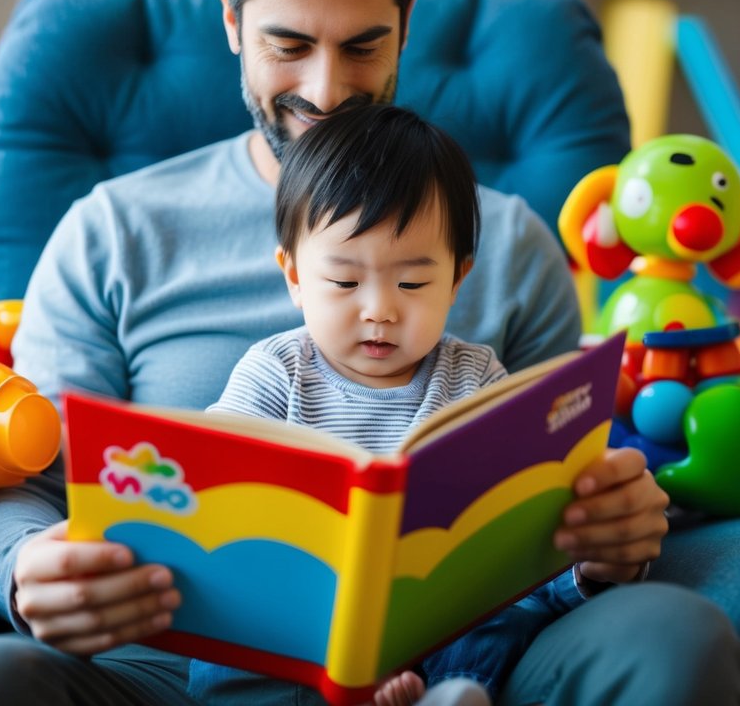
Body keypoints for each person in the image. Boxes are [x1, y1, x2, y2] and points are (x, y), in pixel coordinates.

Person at [0, 0, 740, 705]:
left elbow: (560, 491)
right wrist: (28, 569)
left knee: (674, 634)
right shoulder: (115, 231)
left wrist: (610, 542)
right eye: (288, 45)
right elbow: (21, 476)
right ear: (232, 21)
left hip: (457, 667)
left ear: (406, 26)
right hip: (175, 670)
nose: (327, 92)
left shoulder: (511, 241)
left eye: (363, 44)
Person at [200, 104, 537, 706]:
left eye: (412, 284)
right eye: (345, 282)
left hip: (427, 626)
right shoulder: (276, 371)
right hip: (300, 618)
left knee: (504, 609)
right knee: (228, 628)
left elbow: (516, 521)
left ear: (457, 280)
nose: (380, 309)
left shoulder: (476, 376)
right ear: (295, 276)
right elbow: (214, 485)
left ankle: (448, 694)